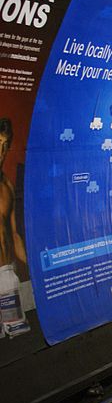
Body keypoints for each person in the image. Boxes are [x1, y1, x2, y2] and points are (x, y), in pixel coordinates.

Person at [0, 118, 28, 281]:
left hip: (10, 271)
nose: (1, 151)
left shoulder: (8, 186)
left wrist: (32, 269)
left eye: (5, 145)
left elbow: (15, 235)